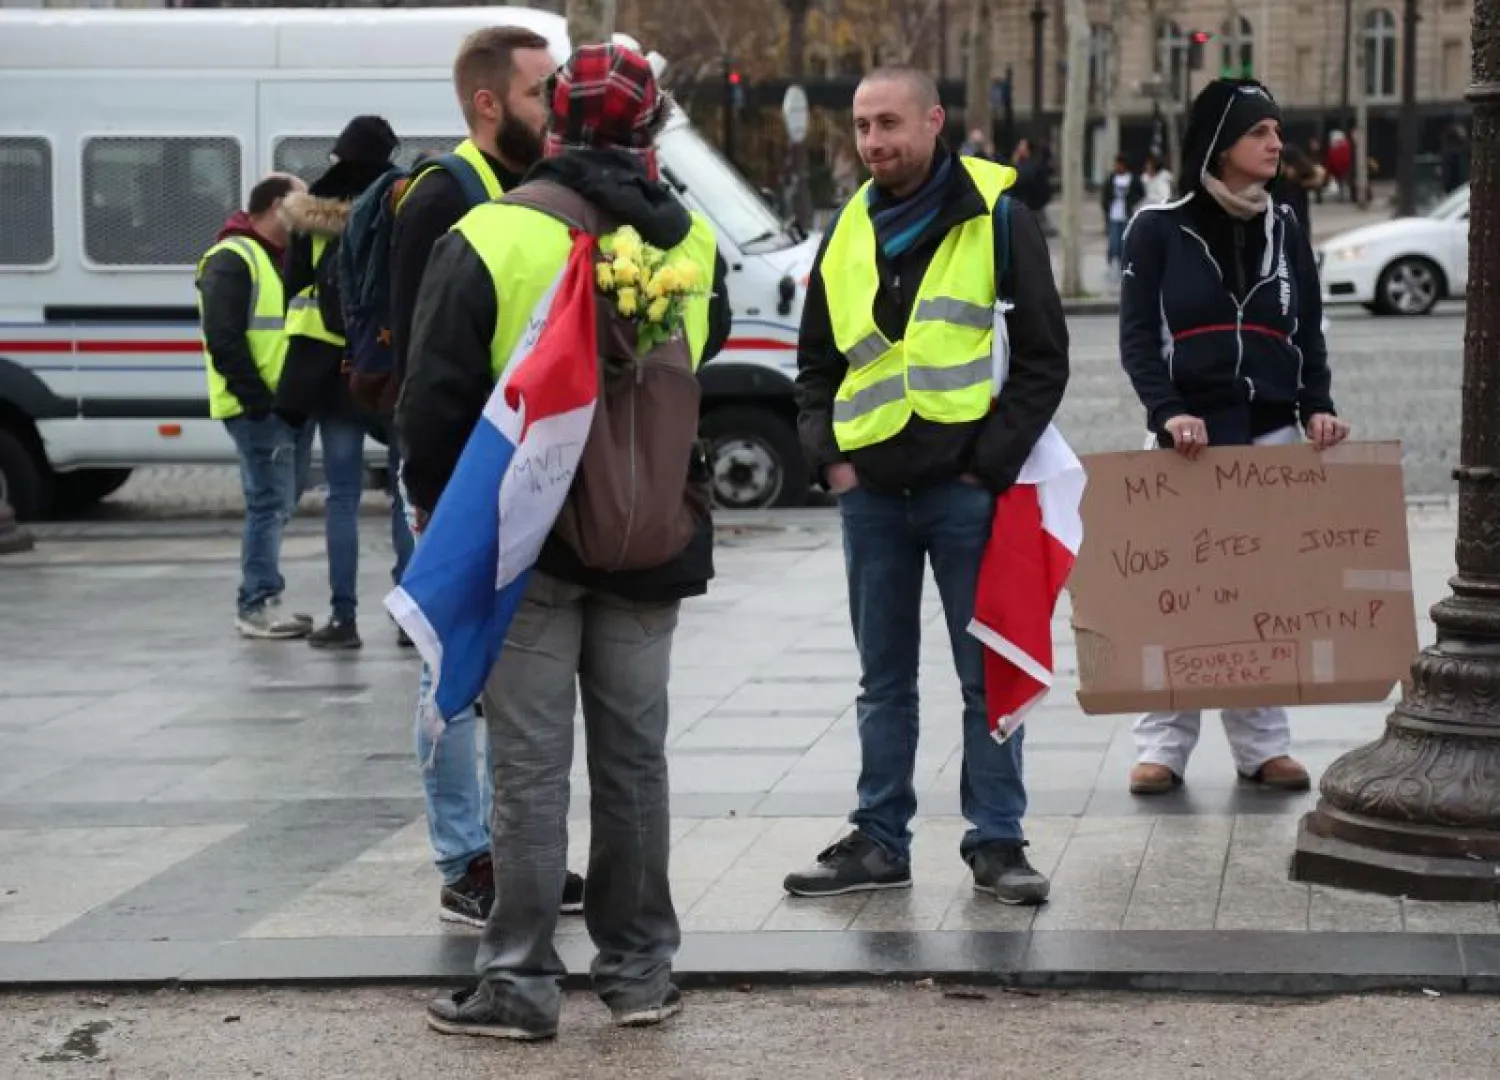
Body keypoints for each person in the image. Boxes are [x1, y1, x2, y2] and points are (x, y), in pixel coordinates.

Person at [400, 43, 732, 1039]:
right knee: (636, 762)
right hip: (650, 532)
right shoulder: (691, 243)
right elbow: (696, 359)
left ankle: (520, 983)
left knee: (531, 770)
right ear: (651, 127)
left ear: (558, 123)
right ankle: (640, 975)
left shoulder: (493, 234)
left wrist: (438, 523)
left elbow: (434, 405)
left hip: (526, 543)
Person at [787, 67, 1068, 905]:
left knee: (989, 672)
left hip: (963, 494)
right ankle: (879, 838)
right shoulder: (844, 231)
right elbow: (814, 367)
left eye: (890, 124)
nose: (874, 142)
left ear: (935, 120)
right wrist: (828, 459)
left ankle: (997, 840)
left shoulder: (1001, 219)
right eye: (863, 127)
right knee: (883, 679)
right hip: (871, 494)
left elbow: (1046, 359)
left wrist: (986, 466)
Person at [388, 25, 586, 929]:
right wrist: (432, 499)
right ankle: (465, 858)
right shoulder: (444, 198)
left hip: (529, 476)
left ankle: (516, 852)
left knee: (514, 677)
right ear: (487, 102)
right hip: (466, 479)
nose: (558, 107)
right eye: (543, 90)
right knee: (451, 675)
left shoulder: (530, 190)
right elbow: (420, 363)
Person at [1117, 78, 1350, 796]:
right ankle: (1163, 744)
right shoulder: (1157, 228)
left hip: (1272, 437)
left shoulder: (1288, 227)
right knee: (1179, 596)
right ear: (1220, 144)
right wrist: (1167, 411)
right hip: (1187, 441)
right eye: (1260, 132)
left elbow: (1306, 332)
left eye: (1278, 130)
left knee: (1260, 593)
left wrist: (1317, 405)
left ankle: (1262, 746)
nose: (1277, 143)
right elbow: (1136, 341)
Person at [277, 114, 409, 651]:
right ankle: (409, 617)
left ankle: (345, 618)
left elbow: (294, 286)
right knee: (406, 495)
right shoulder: (405, 202)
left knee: (343, 498)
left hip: (334, 374)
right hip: (392, 365)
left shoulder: (311, 214)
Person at [199, 172, 315, 640]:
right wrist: (260, 403)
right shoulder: (233, 258)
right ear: (274, 207)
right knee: (268, 504)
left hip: (283, 407)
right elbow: (223, 338)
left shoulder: (277, 257)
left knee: (279, 502)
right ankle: (256, 604)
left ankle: (264, 597)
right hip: (258, 409)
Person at [1101, 154, 1144, 279]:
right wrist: (1106, 207)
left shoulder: (1132, 179)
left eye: (1119, 164)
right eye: (1116, 164)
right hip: (1113, 215)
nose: (1117, 167)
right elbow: (1105, 195)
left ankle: (1123, 265)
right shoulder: (1111, 179)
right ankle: (1111, 265)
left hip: (1127, 215)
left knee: (1124, 242)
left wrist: (1132, 201)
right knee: (1113, 242)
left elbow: (1141, 193)